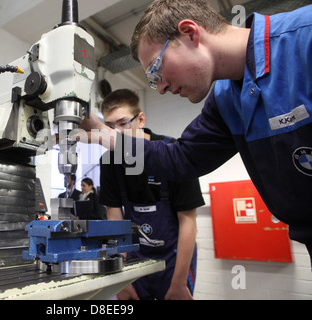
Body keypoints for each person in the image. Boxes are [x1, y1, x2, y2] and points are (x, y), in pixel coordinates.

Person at [78, 1, 312, 265]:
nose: (162, 87)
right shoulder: (227, 100)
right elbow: (182, 159)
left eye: (156, 70)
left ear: (190, 33)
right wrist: (104, 136)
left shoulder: (304, 39)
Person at [99, 89, 204, 300]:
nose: (116, 132)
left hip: (175, 261)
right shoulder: (109, 161)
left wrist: (179, 282)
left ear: (141, 119)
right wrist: (121, 280)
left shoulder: (174, 152)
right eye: (109, 126)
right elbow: (114, 216)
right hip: (135, 258)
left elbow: (188, 222)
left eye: (123, 123)